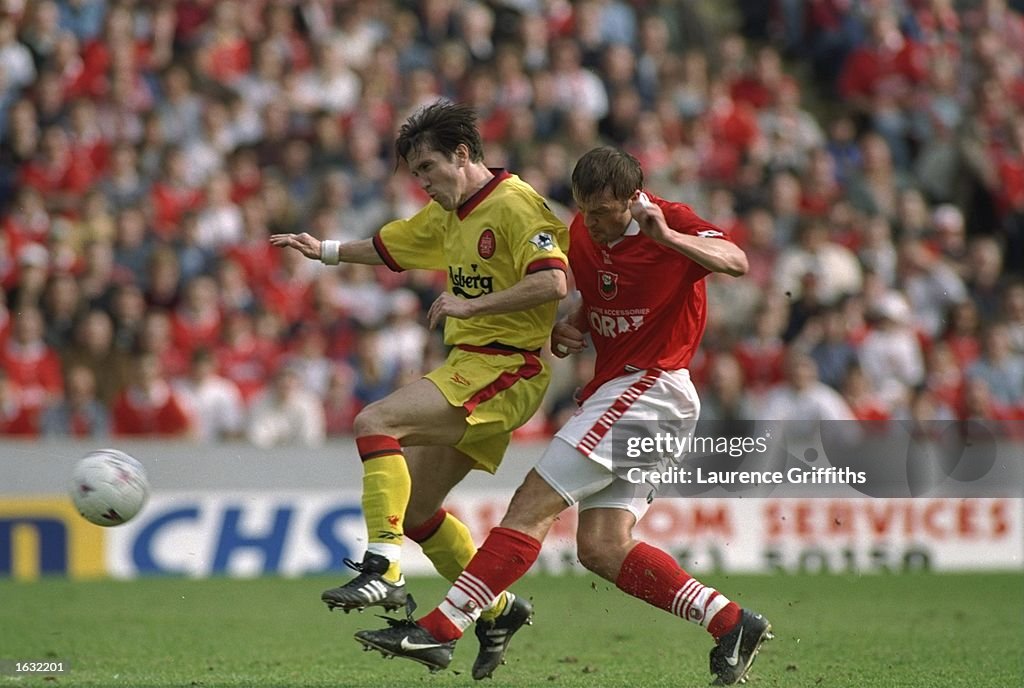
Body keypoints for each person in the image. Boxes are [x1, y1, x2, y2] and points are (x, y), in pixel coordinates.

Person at [353, 146, 771, 686]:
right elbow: (597, 298)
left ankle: (442, 628)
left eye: (603, 212)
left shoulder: (669, 222)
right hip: (637, 393)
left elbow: (736, 261)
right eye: (584, 210)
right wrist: (574, 321)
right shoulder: (582, 232)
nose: (591, 223)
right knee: (602, 547)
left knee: (531, 504)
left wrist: (665, 236)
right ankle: (732, 622)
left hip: (649, 387)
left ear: (632, 199)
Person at [269, 100, 569, 679]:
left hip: (507, 367)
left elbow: (553, 281)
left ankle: (384, 567)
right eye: (415, 175)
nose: (424, 184)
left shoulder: (515, 204)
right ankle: (500, 610)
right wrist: (324, 250)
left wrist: (471, 304)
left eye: (429, 168)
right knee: (419, 509)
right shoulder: (448, 214)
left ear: (463, 155)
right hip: (474, 365)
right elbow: (388, 249)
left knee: (374, 421)